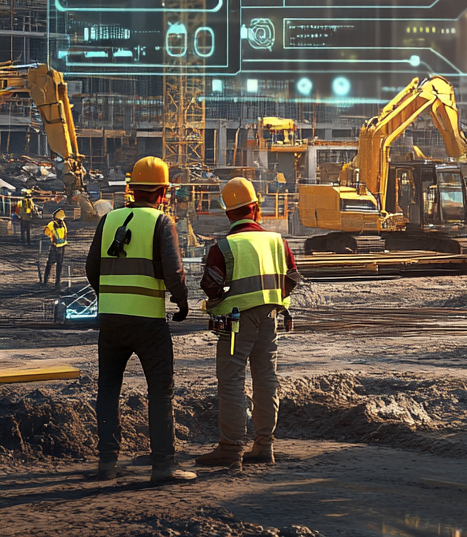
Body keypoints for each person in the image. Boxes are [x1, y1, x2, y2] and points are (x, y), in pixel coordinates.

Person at [85, 156, 196, 484]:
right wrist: (182, 302)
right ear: (163, 191)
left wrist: (111, 296)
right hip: (148, 323)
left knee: (107, 389)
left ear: (131, 189)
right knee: (160, 391)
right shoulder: (162, 223)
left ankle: (107, 464)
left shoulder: (108, 221)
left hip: (111, 323)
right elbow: (174, 272)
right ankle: (163, 465)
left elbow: (92, 269)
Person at [195, 177, 301, 470]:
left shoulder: (223, 247)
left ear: (228, 213)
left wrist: (224, 298)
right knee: (266, 380)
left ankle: (231, 449)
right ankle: (264, 447)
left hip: (234, 323)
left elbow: (211, 286)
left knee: (231, 382)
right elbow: (292, 277)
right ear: (256, 209)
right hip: (270, 319)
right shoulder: (277, 242)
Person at [43, 208, 68, 286]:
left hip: (55, 246)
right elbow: (66, 233)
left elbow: (46, 232)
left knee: (50, 263)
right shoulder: (63, 224)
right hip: (62, 246)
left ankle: (45, 280)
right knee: (59, 264)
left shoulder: (51, 224)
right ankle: (57, 281)